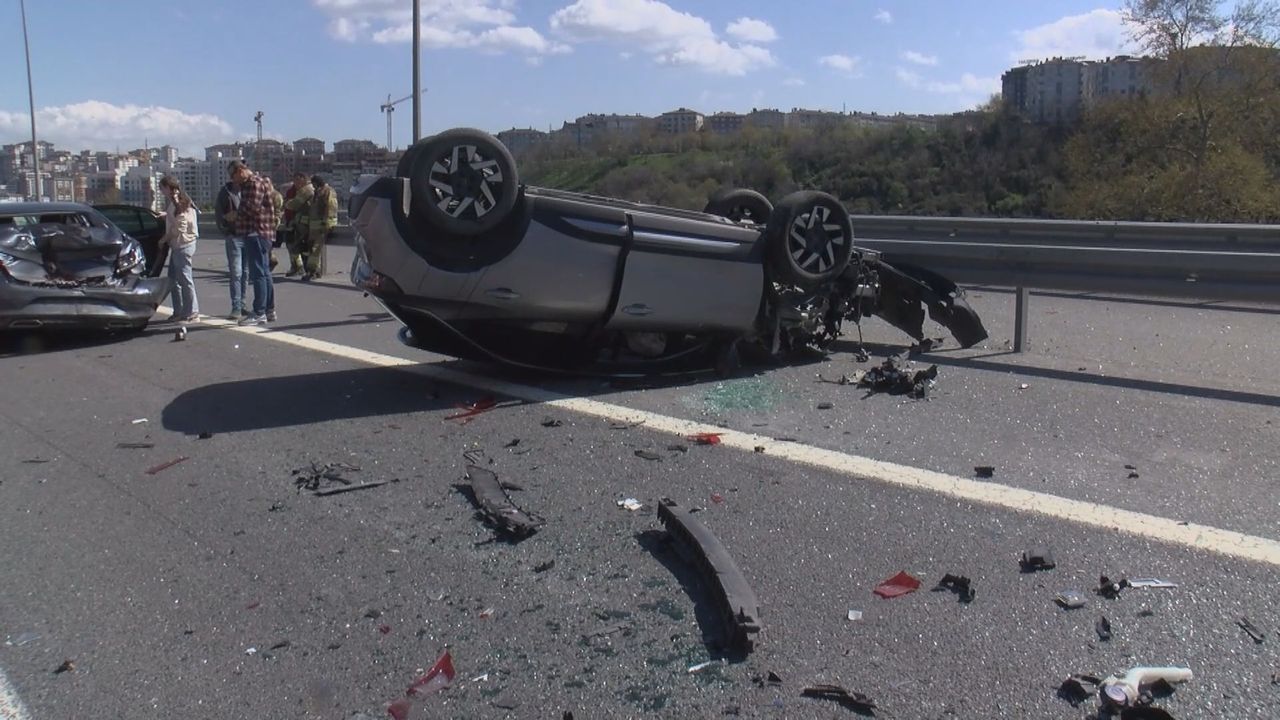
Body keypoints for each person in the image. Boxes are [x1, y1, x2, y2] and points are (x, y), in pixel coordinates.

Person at [226, 160, 277, 325]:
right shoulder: (261, 181)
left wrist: (235, 215)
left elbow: (251, 208)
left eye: (233, 175)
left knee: (258, 273)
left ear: (240, 171)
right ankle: (269, 310)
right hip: (263, 233)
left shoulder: (253, 184)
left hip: (256, 232)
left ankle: (259, 312)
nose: (233, 180)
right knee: (265, 272)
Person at [161, 185, 200, 322]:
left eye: (162, 188)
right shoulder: (179, 203)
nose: (162, 191)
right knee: (173, 279)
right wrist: (166, 215)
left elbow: (180, 227)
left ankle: (192, 312)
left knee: (185, 279)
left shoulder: (179, 204)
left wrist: (163, 239)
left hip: (183, 245)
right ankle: (179, 311)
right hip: (179, 245)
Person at [214, 171, 248, 319]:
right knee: (236, 272)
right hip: (234, 236)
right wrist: (226, 229)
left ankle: (242, 304)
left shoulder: (248, 190)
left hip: (248, 235)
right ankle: (236, 306)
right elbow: (219, 213)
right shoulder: (225, 193)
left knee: (245, 272)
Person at [303, 174, 338, 281]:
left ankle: (313, 271)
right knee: (312, 249)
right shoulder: (318, 192)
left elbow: (330, 207)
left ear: (317, 183)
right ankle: (314, 270)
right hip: (314, 227)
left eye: (313, 184)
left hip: (321, 226)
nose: (313, 186)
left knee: (315, 249)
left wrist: (326, 223)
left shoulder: (327, 191)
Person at [282, 172, 314, 277]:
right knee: (294, 245)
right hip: (297, 222)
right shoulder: (295, 190)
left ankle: (306, 269)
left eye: (297, 180)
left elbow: (294, 204)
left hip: (304, 224)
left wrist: (287, 203)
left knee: (302, 247)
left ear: (303, 179)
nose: (295, 183)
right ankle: (298, 267)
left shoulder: (306, 190)